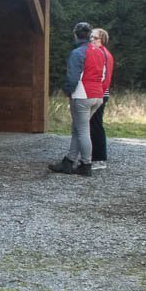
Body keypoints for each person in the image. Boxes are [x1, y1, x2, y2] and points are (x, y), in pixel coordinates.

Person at [49, 22, 111, 177]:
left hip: (83, 94)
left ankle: (86, 164)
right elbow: (104, 76)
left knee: (82, 131)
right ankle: (69, 161)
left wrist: (68, 92)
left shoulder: (78, 53)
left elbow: (73, 77)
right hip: (97, 95)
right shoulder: (100, 52)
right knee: (78, 129)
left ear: (75, 35)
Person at [89, 28, 115, 169]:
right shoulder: (99, 53)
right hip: (98, 93)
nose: (92, 39)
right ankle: (93, 156)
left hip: (100, 94)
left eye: (95, 37)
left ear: (102, 40)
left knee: (96, 125)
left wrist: (98, 93)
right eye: (91, 37)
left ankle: (99, 159)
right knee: (92, 124)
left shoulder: (103, 54)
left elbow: (105, 78)